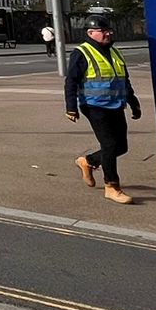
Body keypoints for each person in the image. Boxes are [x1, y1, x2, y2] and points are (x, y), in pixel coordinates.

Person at [64, 14, 140, 204]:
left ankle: (88, 161)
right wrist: (71, 107)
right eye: (103, 31)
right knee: (110, 145)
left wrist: (133, 102)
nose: (108, 33)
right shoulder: (82, 52)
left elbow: (124, 80)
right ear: (91, 33)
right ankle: (112, 187)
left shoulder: (115, 52)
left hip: (116, 105)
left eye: (109, 30)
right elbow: (71, 82)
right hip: (94, 105)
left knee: (121, 146)